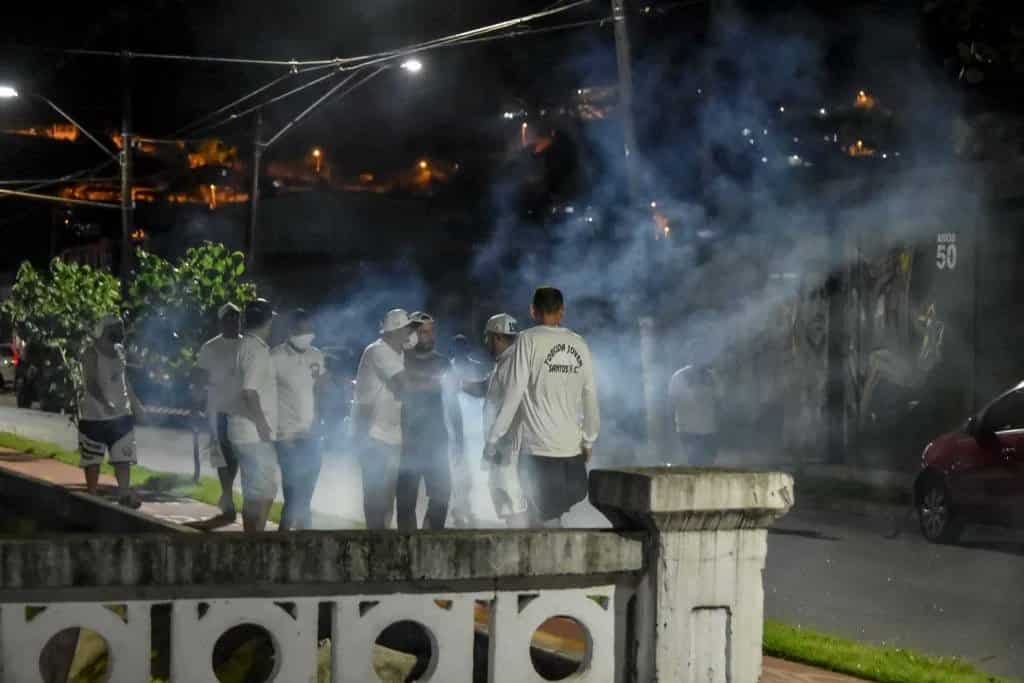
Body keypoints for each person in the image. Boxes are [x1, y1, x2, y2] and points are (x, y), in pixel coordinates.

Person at [485, 287, 600, 527]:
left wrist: (494, 437)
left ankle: (554, 564)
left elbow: (514, 393)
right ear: (562, 312)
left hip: (539, 451)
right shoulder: (579, 343)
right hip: (571, 451)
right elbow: (590, 395)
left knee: (545, 518)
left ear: (532, 310)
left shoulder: (527, 340)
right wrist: (588, 440)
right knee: (551, 515)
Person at [395, 312, 465, 531]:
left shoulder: (443, 362)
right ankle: (406, 548)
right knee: (406, 502)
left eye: (431, 331)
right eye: (423, 332)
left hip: (436, 441)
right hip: (408, 442)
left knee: (442, 496)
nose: (429, 336)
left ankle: (429, 538)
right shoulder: (400, 360)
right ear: (413, 334)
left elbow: (453, 402)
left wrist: (459, 438)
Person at [352, 308, 414, 529]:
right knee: (375, 496)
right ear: (396, 331)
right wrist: (441, 382)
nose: (411, 334)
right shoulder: (379, 351)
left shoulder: (398, 353)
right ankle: (375, 540)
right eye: (408, 329)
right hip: (373, 434)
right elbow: (405, 384)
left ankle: (382, 539)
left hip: (390, 433)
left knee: (387, 495)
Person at [78, 314, 144, 508]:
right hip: (94, 417)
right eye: (117, 327)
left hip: (121, 416)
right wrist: (105, 402)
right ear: (105, 330)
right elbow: (90, 382)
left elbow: (125, 381)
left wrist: (136, 403)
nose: (122, 332)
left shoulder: (120, 350)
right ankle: (91, 496)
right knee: (92, 460)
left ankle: (124, 494)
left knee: (123, 457)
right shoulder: (91, 353)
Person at [472, 313, 528, 528]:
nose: (486, 343)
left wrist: (495, 441)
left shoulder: (512, 363)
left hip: (506, 444)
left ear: (496, 337)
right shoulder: (505, 361)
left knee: (512, 501)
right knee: (505, 501)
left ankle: (523, 554)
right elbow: (488, 390)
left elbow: (511, 405)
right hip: (502, 443)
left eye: (488, 338)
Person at [226, 298, 278, 532]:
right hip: (253, 433)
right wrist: (263, 425)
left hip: (239, 429)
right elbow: (250, 391)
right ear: (268, 320)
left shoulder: (240, 345)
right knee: (265, 491)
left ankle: (251, 538)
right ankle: (255, 540)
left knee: (253, 491)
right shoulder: (256, 350)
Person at [272, 309, 326, 531]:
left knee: (307, 491)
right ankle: (284, 535)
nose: (307, 334)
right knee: (293, 493)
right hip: (286, 435)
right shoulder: (275, 357)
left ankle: (305, 537)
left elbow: (320, 391)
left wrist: (319, 422)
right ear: (291, 330)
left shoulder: (316, 356)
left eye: (310, 329)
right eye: (302, 329)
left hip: (311, 434)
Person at [193, 303, 242, 520]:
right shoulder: (210, 347)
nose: (233, 322)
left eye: (237, 318)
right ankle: (228, 499)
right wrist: (197, 404)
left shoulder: (247, 346)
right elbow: (199, 378)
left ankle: (226, 494)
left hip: (241, 410)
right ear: (221, 322)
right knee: (222, 454)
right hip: (218, 409)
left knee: (235, 457)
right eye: (229, 319)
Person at [668, 362, 721, 466]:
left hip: (709, 431)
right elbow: (671, 405)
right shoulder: (678, 377)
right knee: (694, 465)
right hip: (688, 432)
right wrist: (672, 431)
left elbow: (719, 403)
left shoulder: (712, 376)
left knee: (708, 464)